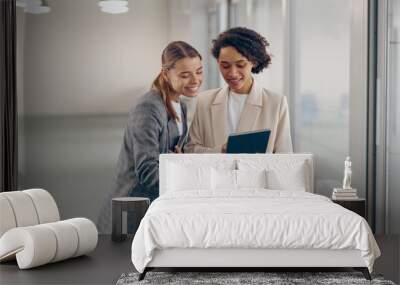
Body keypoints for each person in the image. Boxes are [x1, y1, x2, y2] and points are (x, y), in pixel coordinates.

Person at [97, 41, 203, 233]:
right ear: (165, 74)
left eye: (199, 71)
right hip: (131, 207)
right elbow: (146, 170)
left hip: (154, 206)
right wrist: (188, 182)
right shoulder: (148, 107)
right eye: (185, 75)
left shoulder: (181, 105)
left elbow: (169, 153)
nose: (195, 80)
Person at [185, 27, 292, 153]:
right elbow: (190, 150)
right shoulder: (205, 101)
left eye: (241, 65)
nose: (233, 73)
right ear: (218, 62)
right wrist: (221, 151)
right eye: (225, 66)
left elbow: (285, 157)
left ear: (254, 62)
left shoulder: (276, 103)